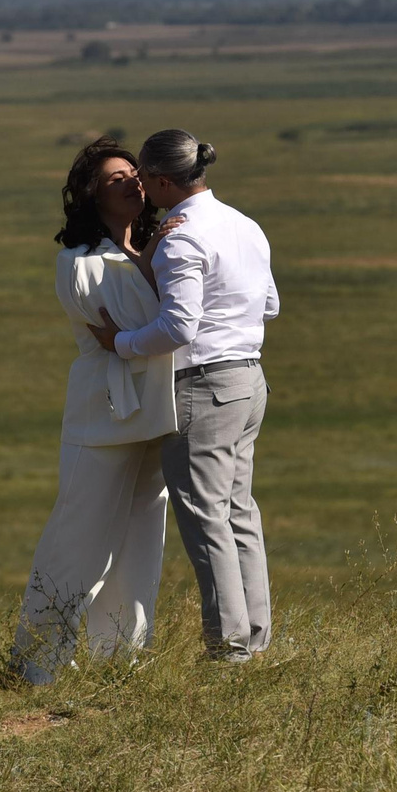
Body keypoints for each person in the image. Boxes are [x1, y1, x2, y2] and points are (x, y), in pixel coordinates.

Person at [87, 128, 279, 662]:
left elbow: (179, 327)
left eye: (143, 178)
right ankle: (255, 638)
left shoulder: (183, 237)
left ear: (163, 180)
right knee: (238, 511)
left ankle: (229, 650)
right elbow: (269, 304)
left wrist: (120, 343)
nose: (140, 189)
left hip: (203, 386)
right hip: (249, 379)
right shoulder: (244, 224)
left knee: (204, 518)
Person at [11, 138, 179, 683]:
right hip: (102, 416)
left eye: (135, 173)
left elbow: (160, 328)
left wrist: (150, 259)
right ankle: (37, 663)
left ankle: (121, 661)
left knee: (141, 543)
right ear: (92, 195)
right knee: (78, 541)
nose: (132, 183)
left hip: (157, 410)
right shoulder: (76, 263)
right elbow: (136, 323)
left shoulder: (159, 247)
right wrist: (151, 265)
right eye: (115, 179)